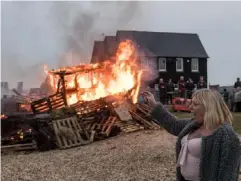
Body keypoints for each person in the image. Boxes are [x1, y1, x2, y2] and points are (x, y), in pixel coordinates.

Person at [142, 89, 241, 181]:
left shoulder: (227, 136)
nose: (190, 107)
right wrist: (154, 105)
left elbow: (228, 176)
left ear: (208, 106)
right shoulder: (193, 124)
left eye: (195, 104)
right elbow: (173, 124)